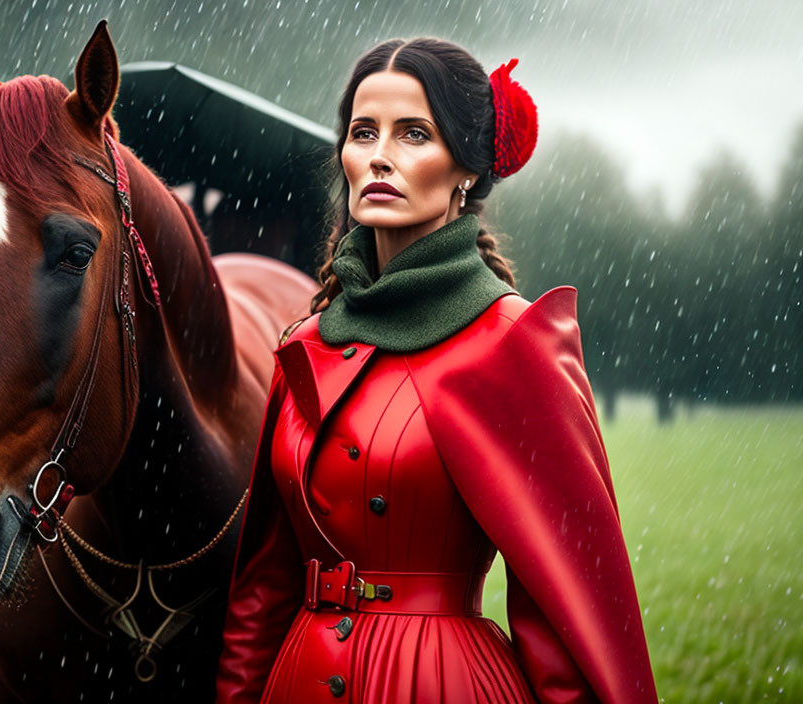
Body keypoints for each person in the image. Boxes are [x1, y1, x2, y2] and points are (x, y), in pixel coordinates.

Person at [214, 37, 658, 704]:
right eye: (363, 132)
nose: (380, 156)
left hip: (444, 684)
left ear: (467, 172)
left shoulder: (514, 346)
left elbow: (568, 616)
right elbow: (263, 588)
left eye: (414, 133)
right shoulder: (304, 344)